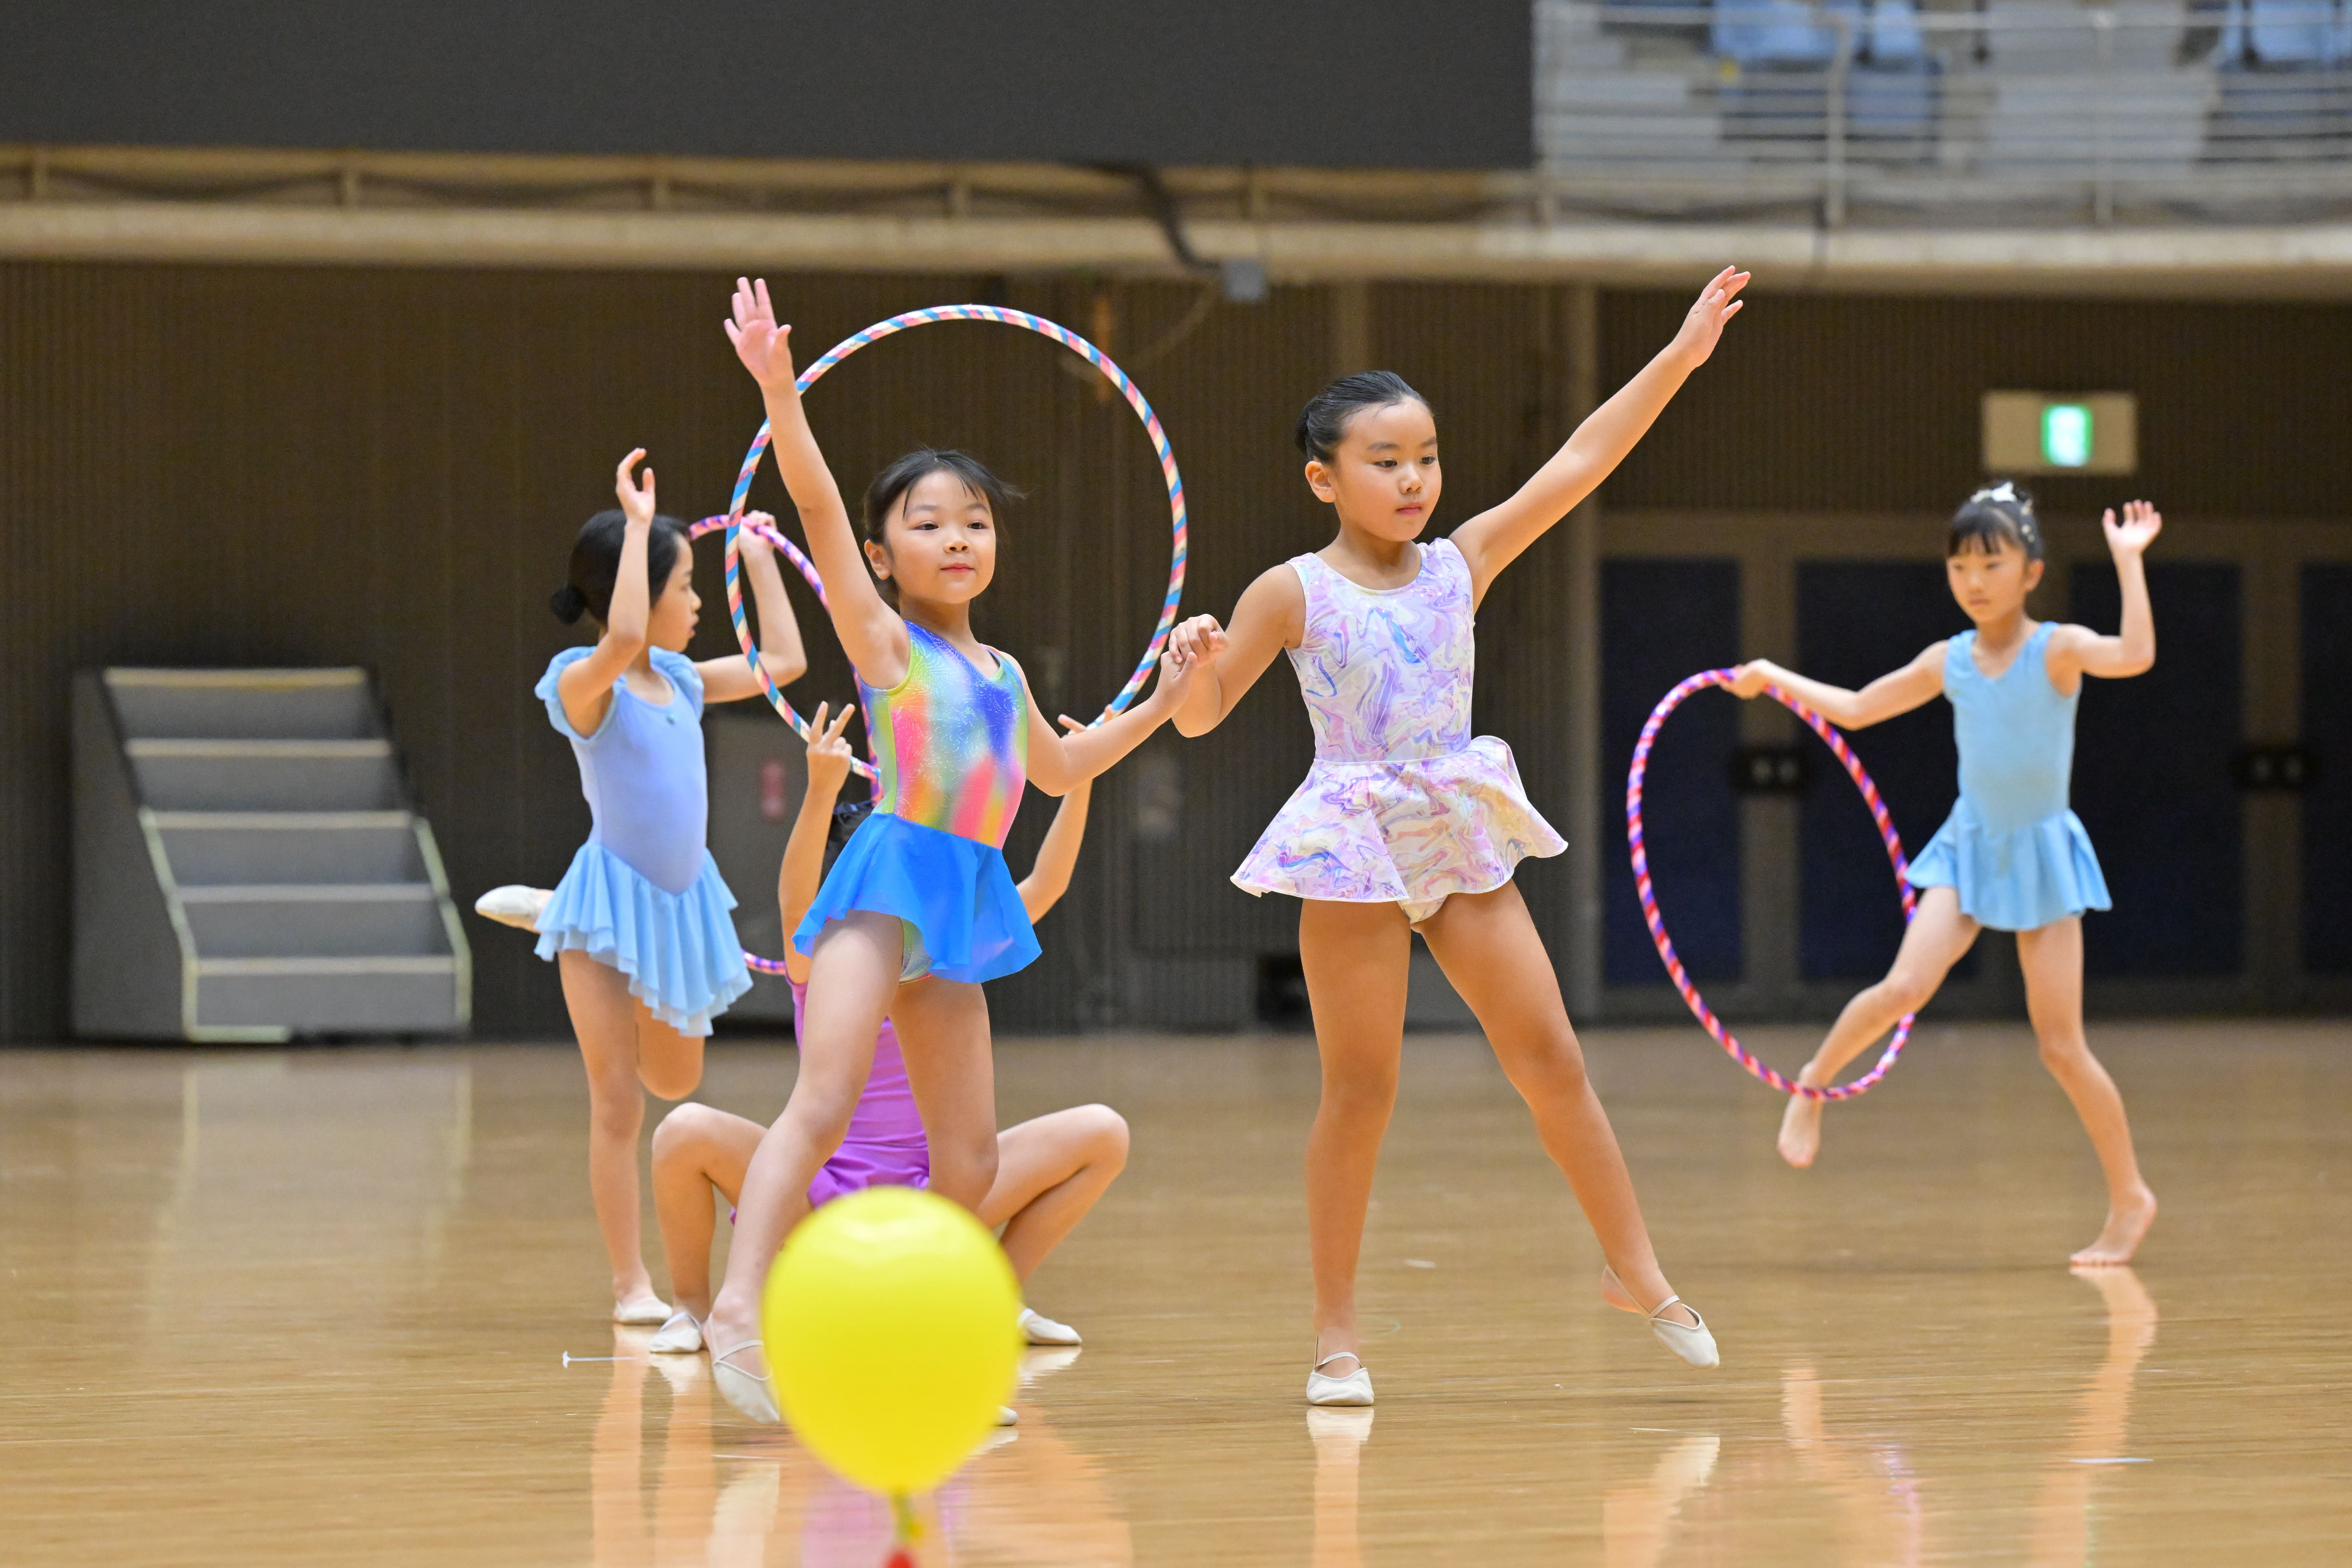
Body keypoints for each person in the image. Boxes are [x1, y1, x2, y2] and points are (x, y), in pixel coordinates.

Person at [1163, 268, 1750, 1405]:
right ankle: (1335, 1337)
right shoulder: (1290, 590)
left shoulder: (1459, 563)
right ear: (1324, 478)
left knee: (1551, 1058)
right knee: (1360, 1090)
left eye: (1425, 457)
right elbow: (1199, 717)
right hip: (1352, 838)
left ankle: (1634, 1270)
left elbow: (1582, 460)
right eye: (1385, 460)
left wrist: (1680, 355)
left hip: (1452, 827)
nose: (1413, 479)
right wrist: (1192, 668)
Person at [698, 278, 1196, 1421]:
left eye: (973, 520)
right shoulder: (886, 648)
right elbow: (816, 505)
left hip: (961, 901)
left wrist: (1166, 700)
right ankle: (736, 1311)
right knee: (822, 1100)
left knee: (967, 1164)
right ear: (882, 558)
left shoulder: (1004, 671)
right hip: (891, 881)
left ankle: (913, 1331)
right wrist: (780, 393)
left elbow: (1063, 769)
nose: (956, 537)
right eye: (926, 523)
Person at [1726, 485, 2161, 1266]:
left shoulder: (2057, 649)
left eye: (1991, 564)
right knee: (1902, 988)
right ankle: (1812, 1085)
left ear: (2031, 573)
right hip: (1969, 846)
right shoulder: (1950, 660)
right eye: (1960, 566)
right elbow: (1856, 709)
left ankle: (2131, 1197)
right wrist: (1772, 676)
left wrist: (2128, 562)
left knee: (2061, 1047)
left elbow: (2134, 656)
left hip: (2041, 854)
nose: (1974, 581)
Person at [645, 702, 1127, 1367]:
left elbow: (1045, 884)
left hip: (938, 1190)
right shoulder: (823, 954)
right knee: (682, 1133)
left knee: (1103, 1133)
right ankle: (692, 1307)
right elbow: (793, 900)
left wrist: (1080, 778)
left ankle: (978, 1298)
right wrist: (820, 791)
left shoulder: (951, 948)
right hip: (822, 1197)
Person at [492, 451, 807, 1324]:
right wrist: (639, 526)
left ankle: (548, 910)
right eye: (688, 586)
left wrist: (757, 559)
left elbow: (784, 660)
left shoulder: (683, 682)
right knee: (619, 1103)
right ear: (639, 589)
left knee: (675, 1081)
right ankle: (630, 1284)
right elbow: (623, 639)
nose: (698, 603)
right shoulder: (580, 684)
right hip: (611, 904)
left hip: (679, 907)